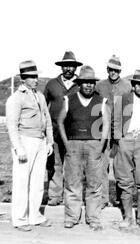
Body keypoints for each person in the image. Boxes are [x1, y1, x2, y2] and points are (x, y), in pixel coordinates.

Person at [57, 65, 109, 231]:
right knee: (73, 183)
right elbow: (60, 122)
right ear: (79, 83)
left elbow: (107, 124)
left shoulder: (101, 101)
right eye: (85, 82)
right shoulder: (69, 99)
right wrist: (66, 144)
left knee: (94, 184)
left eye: (91, 82)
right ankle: (72, 217)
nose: (88, 85)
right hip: (73, 145)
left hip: (94, 145)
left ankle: (93, 218)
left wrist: (101, 144)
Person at [5, 60, 54, 232]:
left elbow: (47, 120)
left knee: (38, 182)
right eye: (31, 77)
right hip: (25, 141)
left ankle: (35, 216)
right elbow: (12, 126)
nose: (35, 80)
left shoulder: (39, 96)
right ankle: (19, 219)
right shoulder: (15, 99)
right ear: (23, 79)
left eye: (36, 76)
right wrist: (19, 148)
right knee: (21, 182)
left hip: (40, 142)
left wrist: (50, 141)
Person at [112, 70, 140, 230]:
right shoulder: (123, 99)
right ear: (133, 85)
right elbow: (115, 120)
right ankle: (128, 216)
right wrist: (119, 139)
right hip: (126, 140)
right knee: (124, 180)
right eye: (137, 84)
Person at [42, 51, 83, 206]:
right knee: (54, 164)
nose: (68, 69)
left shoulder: (81, 84)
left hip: (73, 133)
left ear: (75, 67)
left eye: (71, 66)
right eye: (65, 65)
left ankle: (71, 197)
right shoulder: (51, 84)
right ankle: (54, 196)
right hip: (54, 132)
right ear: (61, 67)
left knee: (73, 165)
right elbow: (43, 107)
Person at [94, 55, 131, 208]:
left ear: (120, 71)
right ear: (107, 69)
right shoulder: (100, 86)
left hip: (121, 131)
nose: (113, 72)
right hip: (103, 130)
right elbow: (95, 108)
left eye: (116, 70)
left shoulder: (127, 86)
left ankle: (121, 199)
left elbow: (130, 109)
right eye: (111, 69)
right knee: (103, 165)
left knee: (120, 166)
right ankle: (103, 198)